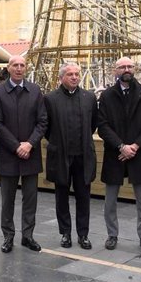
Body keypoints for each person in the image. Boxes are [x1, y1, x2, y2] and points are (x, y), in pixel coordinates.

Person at [97, 56, 141, 253]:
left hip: (138, 153)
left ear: (135, 69)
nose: (126, 69)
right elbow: (103, 125)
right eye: (122, 66)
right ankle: (112, 235)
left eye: (130, 66)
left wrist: (136, 146)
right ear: (115, 70)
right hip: (115, 153)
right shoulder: (106, 96)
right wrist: (121, 146)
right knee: (110, 199)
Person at [0, 55, 48, 253]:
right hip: (9, 154)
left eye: (22, 65)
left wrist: (30, 144)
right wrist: (17, 146)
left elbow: (42, 121)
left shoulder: (35, 91)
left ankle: (28, 235)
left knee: (30, 197)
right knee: (7, 199)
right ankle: (8, 236)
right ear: (8, 68)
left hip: (30, 153)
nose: (18, 68)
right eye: (15, 65)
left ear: (26, 68)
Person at [43, 62, 98, 250]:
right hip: (61, 156)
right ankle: (65, 233)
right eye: (70, 74)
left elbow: (93, 125)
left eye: (77, 74)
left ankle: (83, 234)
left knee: (84, 197)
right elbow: (46, 127)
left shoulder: (89, 97)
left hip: (83, 156)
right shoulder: (50, 99)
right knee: (61, 197)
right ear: (61, 78)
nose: (74, 77)